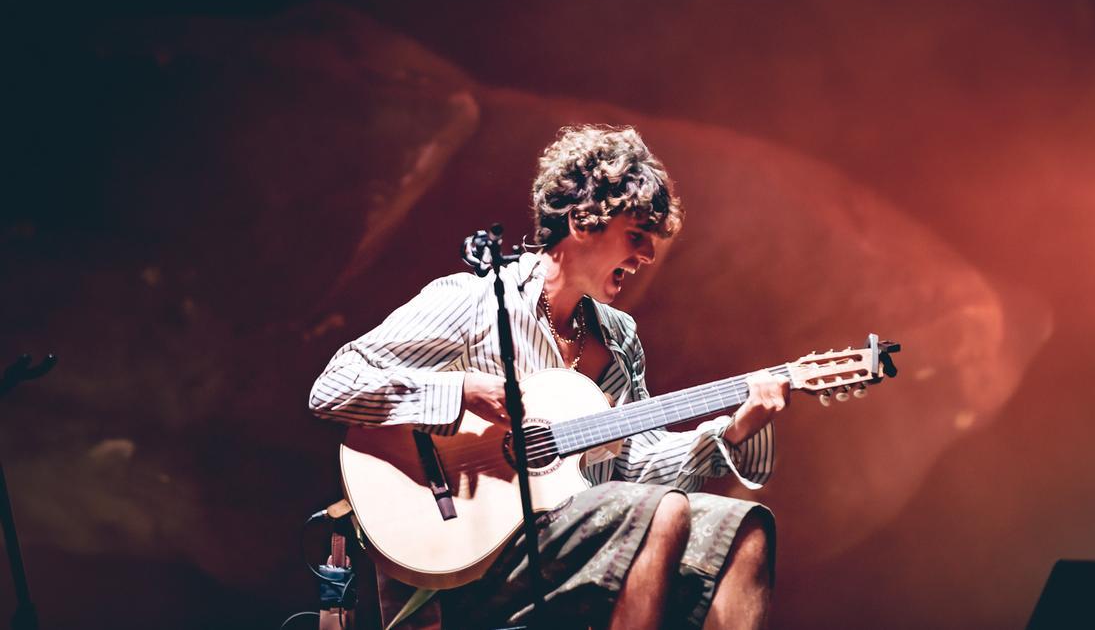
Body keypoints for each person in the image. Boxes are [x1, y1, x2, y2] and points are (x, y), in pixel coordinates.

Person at [310, 125, 791, 629]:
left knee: (744, 527)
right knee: (662, 512)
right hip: (470, 552)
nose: (648, 256)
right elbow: (335, 385)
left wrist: (734, 431)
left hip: (574, 543)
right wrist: (461, 391)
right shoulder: (475, 302)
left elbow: (634, 469)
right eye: (636, 236)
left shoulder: (619, 339)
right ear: (584, 221)